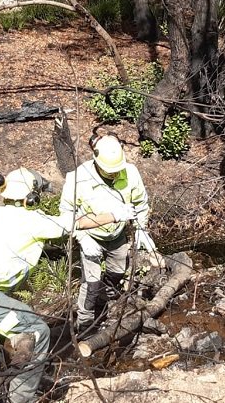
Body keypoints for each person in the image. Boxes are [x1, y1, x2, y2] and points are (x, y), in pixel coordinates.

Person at [0, 167, 134, 403]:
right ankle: (20, 399)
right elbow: (77, 222)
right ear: (31, 198)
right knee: (37, 331)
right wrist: (115, 214)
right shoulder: (33, 221)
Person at [59, 134, 158, 332]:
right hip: (90, 236)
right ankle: (85, 324)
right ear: (96, 162)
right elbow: (66, 216)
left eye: (116, 171)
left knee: (117, 272)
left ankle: (105, 303)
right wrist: (82, 238)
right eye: (109, 171)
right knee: (91, 284)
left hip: (117, 235)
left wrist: (141, 229)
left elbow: (140, 203)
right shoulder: (78, 178)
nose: (114, 174)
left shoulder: (130, 172)